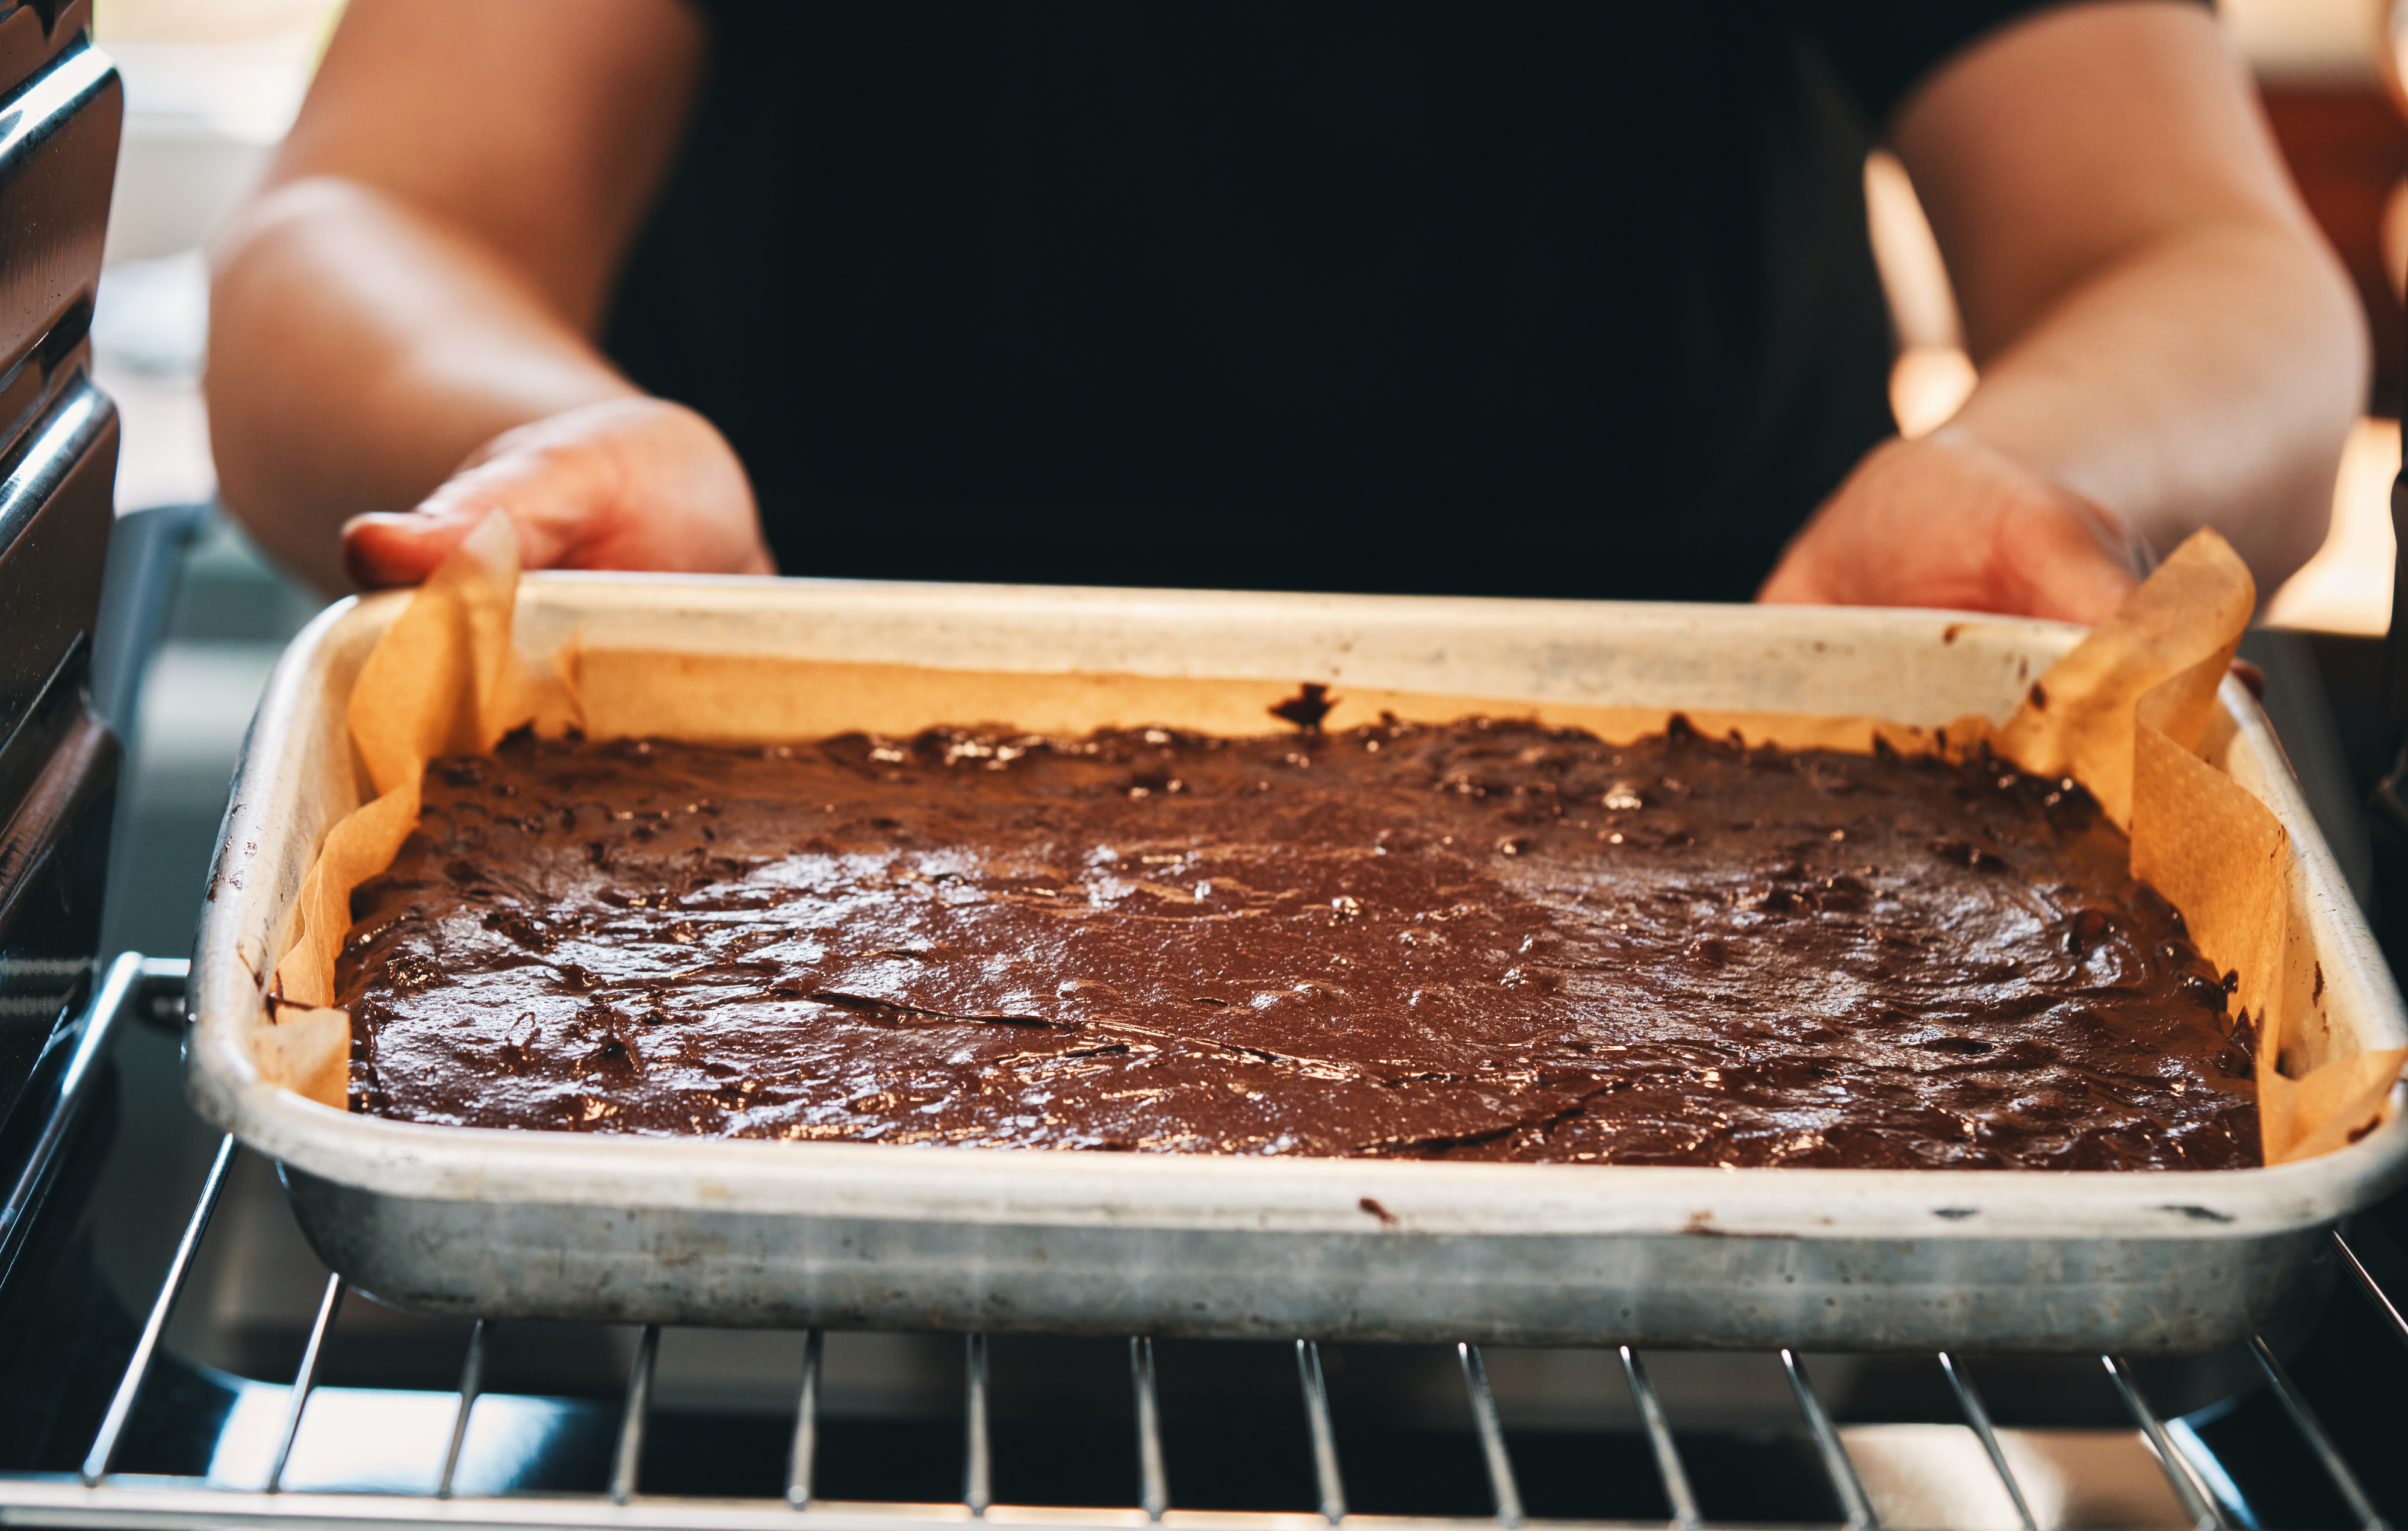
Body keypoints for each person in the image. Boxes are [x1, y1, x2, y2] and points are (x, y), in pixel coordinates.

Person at [206, 0, 2366, 625]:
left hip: (1726, 827)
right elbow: (365, 225)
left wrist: (2032, 489)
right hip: (769, 767)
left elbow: (2200, 262)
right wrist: (542, 450)